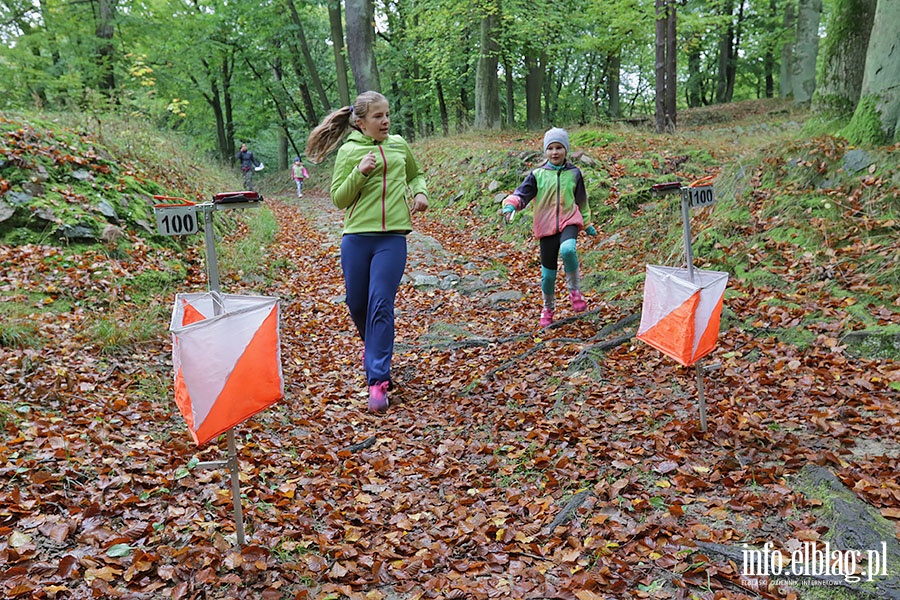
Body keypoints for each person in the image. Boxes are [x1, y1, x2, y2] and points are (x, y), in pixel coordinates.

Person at [305, 91, 428, 413]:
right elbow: (338, 199)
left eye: (387, 114)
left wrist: (420, 192)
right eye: (378, 116)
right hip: (357, 238)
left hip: (392, 238)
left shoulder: (399, 145)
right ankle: (375, 347)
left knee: (381, 302)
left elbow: (416, 174)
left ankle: (378, 380)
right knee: (357, 304)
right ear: (360, 123)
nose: (385, 121)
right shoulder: (349, 152)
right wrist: (359, 172)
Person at [502, 127, 597, 327]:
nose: (555, 152)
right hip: (545, 227)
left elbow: (582, 199)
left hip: (569, 220)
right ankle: (548, 308)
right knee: (547, 276)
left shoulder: (574, 173)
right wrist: (511, 204)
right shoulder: (537, 174)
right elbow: (522, 194)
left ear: (566, 150)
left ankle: (575, 291)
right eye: (551, 148)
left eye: (559, 148)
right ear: (545, 151)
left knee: (568, 249)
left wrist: (587, 223)